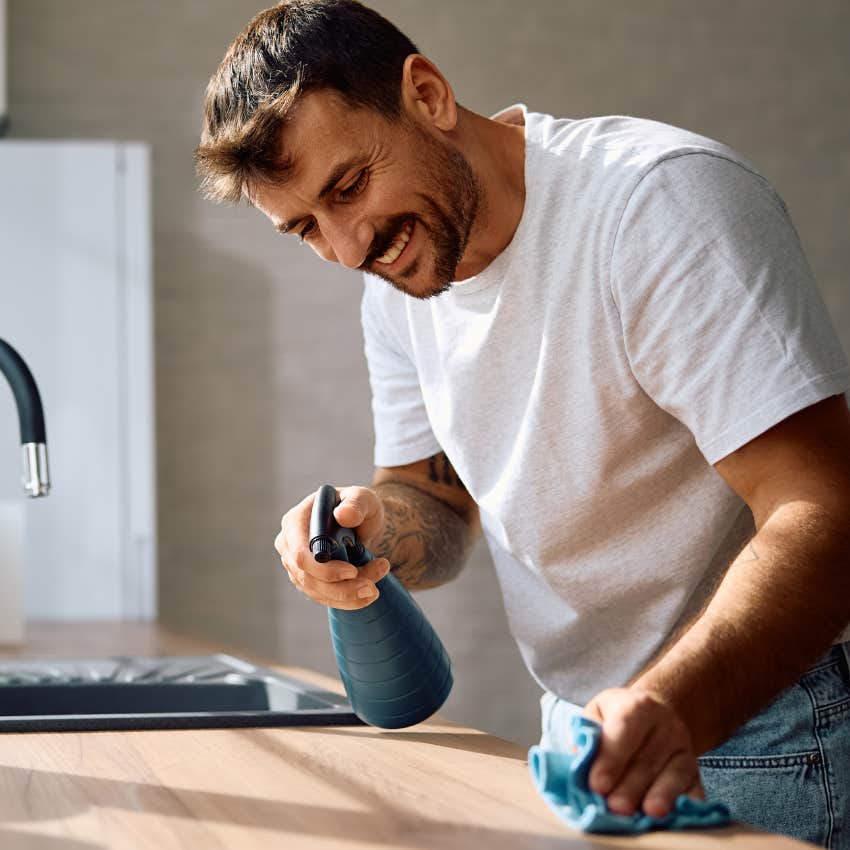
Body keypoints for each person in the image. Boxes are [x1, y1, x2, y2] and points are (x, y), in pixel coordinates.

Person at [195, 1, 850, 843]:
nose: (349, 248)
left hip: (752, 732)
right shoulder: (397, 283)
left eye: (348, 186)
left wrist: (673, 708)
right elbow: (435, 504)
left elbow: (826, 510)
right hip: (580, 734)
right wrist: (372, 529)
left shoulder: (655, 205)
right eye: (303, 229)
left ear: (426, 94)